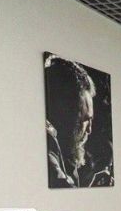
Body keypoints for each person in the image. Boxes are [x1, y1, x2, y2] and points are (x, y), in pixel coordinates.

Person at [45, 54, 112, 187]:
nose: (89, 130)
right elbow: (61, 186)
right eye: (85, 120)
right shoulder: (48, 143)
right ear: (65, 114)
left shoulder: (64, 151)